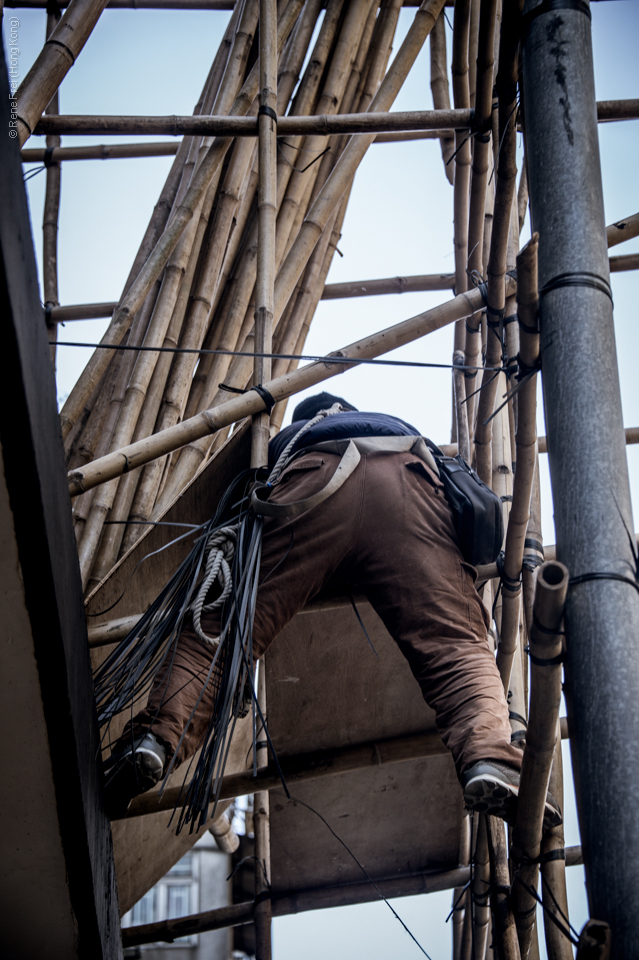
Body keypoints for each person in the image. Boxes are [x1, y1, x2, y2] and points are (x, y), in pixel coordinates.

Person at [104, 392, 560, 828]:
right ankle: (488, 757)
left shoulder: (293, 437)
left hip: (316, 477)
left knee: (220, 633)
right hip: (407, 482)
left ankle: (155, 738)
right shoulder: (389, 420)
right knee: (456, 647)